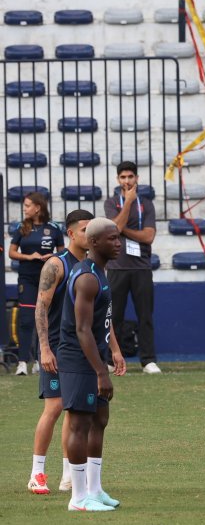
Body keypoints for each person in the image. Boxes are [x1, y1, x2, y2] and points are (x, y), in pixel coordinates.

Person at [58, 218, 126, 512]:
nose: (118, 243)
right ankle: (78, 498)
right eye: (112, 239)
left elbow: (102, 323)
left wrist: (110, 353)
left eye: (119, 238)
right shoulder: (86, 277)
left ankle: (95, 490)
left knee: (99, 420)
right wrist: (101, 372)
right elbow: (82, 329)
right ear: (94, 243)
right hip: (78, 359)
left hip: (94, 355)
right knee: (79, 424)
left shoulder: (101, 272)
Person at [27, 210, 92, 495]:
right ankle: (37, 473)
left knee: (74, 410)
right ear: (71, 233)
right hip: (53, 346)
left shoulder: (92, 265)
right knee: (53, 408)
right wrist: (44, 348)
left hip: (77, 349)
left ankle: (69, 474)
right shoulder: (57, 264)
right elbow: (41, 306)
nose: (89, 235)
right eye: (84, 230)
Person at [103, 161, 161, 374]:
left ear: (137, 178)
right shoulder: (111, 203)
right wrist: (127, 203)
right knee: (113, 316)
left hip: (142, 268)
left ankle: (148, 361)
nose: (127, 181)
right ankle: (110, 360)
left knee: (145, 315)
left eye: (130, 177)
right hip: (116, 267)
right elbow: (113, 229)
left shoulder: (146, 203)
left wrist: (122, 229)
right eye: (123, 177)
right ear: (118, 180)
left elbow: (148, 236)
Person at [8, 191, 64, 375]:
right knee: (26, 320)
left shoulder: (54, 228)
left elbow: (63, 254)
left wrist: (52, 256)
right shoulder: (21, 228)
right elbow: (12, 253)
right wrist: (29, 256)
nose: (24, 209)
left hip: (48, 280)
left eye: (27, 206)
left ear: (38, 208)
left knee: (47, 319)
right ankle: (23, 362)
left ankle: (42, 360)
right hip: (27, 278)